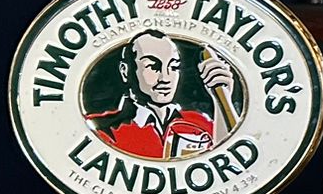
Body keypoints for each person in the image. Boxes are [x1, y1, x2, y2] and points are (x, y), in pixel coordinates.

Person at [87, 30, 234, 159]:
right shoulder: (101, 129)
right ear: (125, 71)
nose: (166, 78)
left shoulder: (201, 123)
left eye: (173, 67)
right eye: (153, 66)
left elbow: (232, 160)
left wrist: (222, 98)